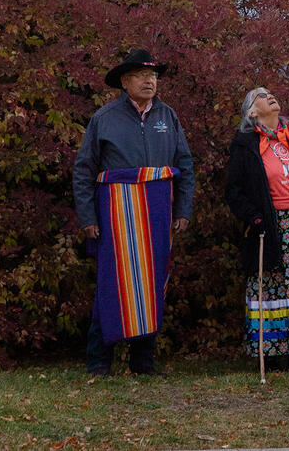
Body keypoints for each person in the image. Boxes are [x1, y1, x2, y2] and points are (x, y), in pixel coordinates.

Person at [72, 48, 194, 380]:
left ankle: (143, 362)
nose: (149, 81)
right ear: (125, 82)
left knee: (152, 283)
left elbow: (185, 165)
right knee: (113, 283)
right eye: (141, 75)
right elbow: (84, 171)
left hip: (157, 212)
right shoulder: (104, 118)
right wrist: (88, 218)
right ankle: (100, 362)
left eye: (153, 76)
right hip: (115, 213)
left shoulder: (167, 116)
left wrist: (183, 209)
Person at [225, 86, 289, 371]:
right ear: (252, 111)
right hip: (270, 224)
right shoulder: (245, 144)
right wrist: (253, 216)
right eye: (261, 95)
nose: (269, 96)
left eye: (270, 93)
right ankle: (269, 354)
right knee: (270, 287)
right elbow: (234, 190)